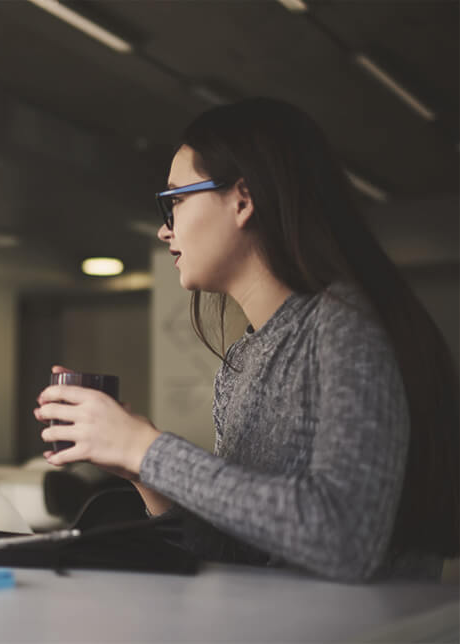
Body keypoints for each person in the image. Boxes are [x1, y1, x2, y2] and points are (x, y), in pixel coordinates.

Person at [37, 97, 459, 581]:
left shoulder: (345, 324)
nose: (163, 229)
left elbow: (345, 538)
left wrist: (148, 449)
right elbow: (234, 550)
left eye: (175, 200)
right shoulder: (242, 359)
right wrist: (143, 473)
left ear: (242, 199)